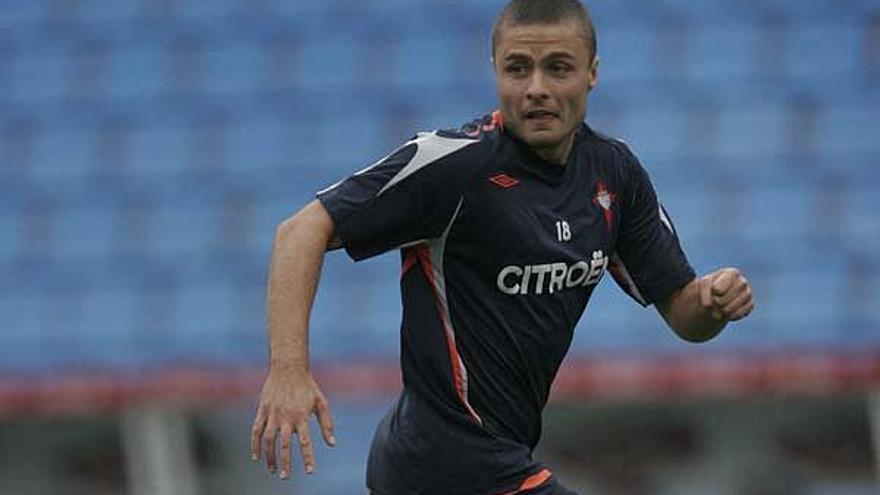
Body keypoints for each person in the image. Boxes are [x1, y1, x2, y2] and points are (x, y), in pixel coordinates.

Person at [249, 0, 755, 493]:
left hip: (485, 456)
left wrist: (711, 302)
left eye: (558, 68)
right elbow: (299, 232)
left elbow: (684, 314)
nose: (537, 88)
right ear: (495, 69)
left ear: (591, 73)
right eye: (518, 69)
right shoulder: (454, 166)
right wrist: (288, 371)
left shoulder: (614, 174)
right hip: (444, 457)